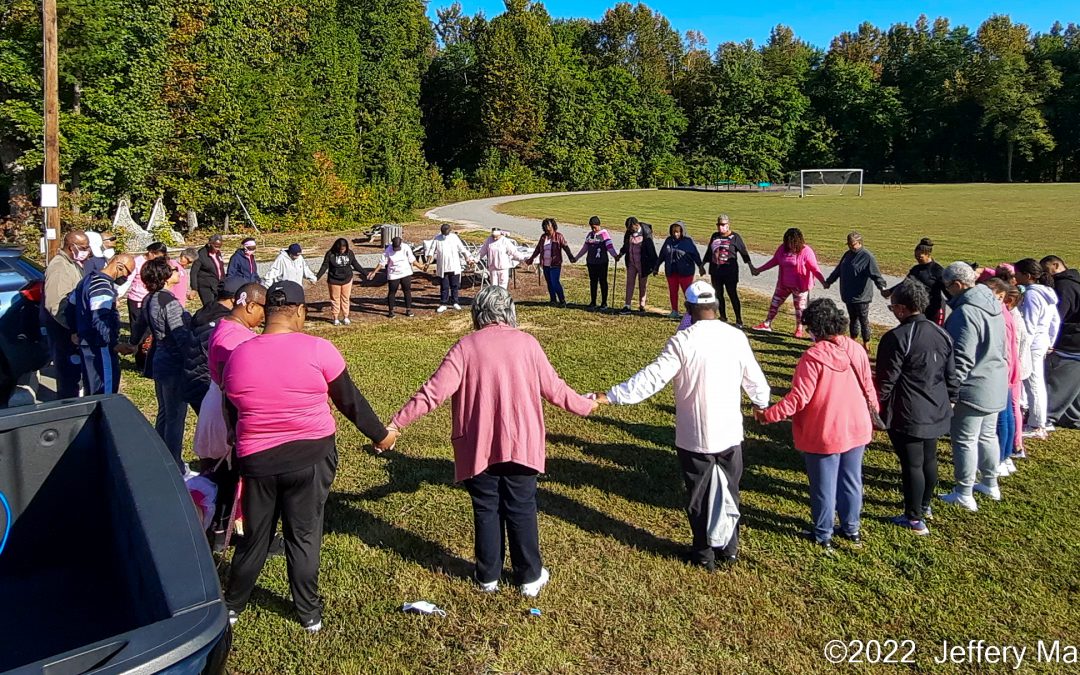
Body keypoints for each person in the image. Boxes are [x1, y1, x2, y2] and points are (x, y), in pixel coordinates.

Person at [389, 286, 597, 596]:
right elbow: (555, 389)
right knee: (521, 507)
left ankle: (487, 576)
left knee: (486, 507)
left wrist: (396, 424)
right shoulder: (527, 344)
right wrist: (586, 404)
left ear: (477, 314)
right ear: (510, 311)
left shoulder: (465, 347)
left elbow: (433, 392)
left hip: (478, 447)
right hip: (521, 444)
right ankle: (529, 577)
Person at [223, 281, 397, 632]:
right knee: (303, 534)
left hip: (257, 461)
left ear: (266, 312)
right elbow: (350, 401)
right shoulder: (319, 349)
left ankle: (232, 606)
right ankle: (308, 614)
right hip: (311, 457)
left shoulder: (238, 355)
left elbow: (232, 410)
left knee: (254, 537)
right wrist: (382, 435)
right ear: (301, 312)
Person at [599, 281, 770, 569]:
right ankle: (729, 549)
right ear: (716, 306)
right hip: (730, 433)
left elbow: (652, 378)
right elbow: (755, 378)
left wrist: (612, 395)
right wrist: (760, 403)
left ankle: (704, 554)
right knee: (730, 490)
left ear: (689, 309)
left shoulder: (682, 341)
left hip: (695, 436)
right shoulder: (735, 337)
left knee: (699, 496)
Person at [755, 300, 875, 551]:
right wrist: (874, 411)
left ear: (816, 329)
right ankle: (852, 529)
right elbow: (868, 386)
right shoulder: (856, 349)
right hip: (857, 425)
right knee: (852, 480)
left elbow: (799, 398)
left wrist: (769, 415)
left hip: (826, 431)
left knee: (823, 486)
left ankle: (823, 534)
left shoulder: (813, 357)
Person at [875, 279, 958, 535]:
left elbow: (886, 380)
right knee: (929, 459)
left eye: (892, 308)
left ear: (901, 308)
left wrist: (876, 408)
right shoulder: (941, 332)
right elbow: (951, 373)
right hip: (936, 406)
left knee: (912, 464)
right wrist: (952, 398)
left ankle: (914, 518)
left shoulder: (897, 337)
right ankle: (924, 505)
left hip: (909, 411)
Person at [938, 261, 1008, 511]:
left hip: (974, 387)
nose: (947, 292)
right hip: (995, 381)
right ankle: (990, 482)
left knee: (965, 439)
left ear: (957, 285)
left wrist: (951, 391)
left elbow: (961, 358)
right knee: (988, 435)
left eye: (948, 287)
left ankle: (964, 491)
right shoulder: (993, 304)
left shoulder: (966, 312)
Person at [141, 257, 194, 473]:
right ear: (164, 276)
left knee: (164, 411)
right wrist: (193, 357)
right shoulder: (168, 302)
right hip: (173, 363)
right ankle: (174, 463)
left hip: (159, 359)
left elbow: (139, 327)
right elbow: (180, 334)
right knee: (175, 415)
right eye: (173, 269)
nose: (177, 272)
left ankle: (159, 454)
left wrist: (133, 342)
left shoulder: (149, 298)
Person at [70, 253, 137, 395]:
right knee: (105, 392)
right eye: (127, 273)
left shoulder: (86, 280)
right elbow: (100, 319)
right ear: (119, 266)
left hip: (86, 343)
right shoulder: (102, 286)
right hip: (100, 347)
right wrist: (113, 344)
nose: (126, 278)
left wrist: (74, 330)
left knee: (91, 389)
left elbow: (71, 304)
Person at [183, 277, 248, 416]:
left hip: (191, 380)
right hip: (208, 385)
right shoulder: (224, 323)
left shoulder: (204, 312)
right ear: (234, 299)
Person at [1014, 258, 1060, 440]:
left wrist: (1021, 348)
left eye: (1017, 273)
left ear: (1027, 276)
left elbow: (1029, 325)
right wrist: (1050, 341)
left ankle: (1037, 424)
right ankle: (1036, 419)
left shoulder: (1032, 295)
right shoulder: (1047, 293)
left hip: (1031, 345)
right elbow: (1055, 321)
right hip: (1041, 342)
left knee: (1033, 383)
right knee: (1036, 382)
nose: (1015, 277)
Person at [751, 228, 826, 338]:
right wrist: (759, 270)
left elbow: (814, 268)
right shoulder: (782, 249)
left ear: (798, 241)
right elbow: (774, 261)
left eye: (792, 242)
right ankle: (767, 324)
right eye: (787, 241)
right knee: (775, 303)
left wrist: (823, 281)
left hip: (800, 287)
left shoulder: (806, 251)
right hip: (783, 284)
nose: (789, 244)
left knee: (800, 309)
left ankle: (799, 329)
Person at [42, 230, 91, 399]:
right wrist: (72, 329)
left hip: (70, 329)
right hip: (63, 331)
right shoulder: (59, 267)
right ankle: (67, 408)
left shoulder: (72, 264)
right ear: (72, 247)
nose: (87, 251)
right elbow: (55, 304)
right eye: (83, 247)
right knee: (67, 376)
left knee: (74, 375)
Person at [982, 278, 1022, 475]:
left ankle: (1000, 458)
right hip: (1007, 370)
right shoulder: (1005, 313)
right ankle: (1005, 457)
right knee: (1006, 416)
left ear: (1001, 296)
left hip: (1002, 372)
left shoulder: (1000, 316)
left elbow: (1004, 348)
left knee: (1002, 418)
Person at [823, 232, 887, 348]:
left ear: (859, 243)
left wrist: (882, 288)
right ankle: (853, 341)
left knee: (863, 320)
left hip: (861, 296)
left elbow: (876, 275)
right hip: (848, 294)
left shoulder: (867, 257)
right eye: (849, 244)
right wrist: (829, 281)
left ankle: (866, 343)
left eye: (852, 244)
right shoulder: (847, 255)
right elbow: (838, 270)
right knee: (853, 319)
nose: (850, 247)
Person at [1041, 255, 1080, 429]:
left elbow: (1058, 316)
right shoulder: (1074, 281)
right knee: (1074, 384)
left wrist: (1050, 339)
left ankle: (1047, 416)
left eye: (1046, 269)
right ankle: (1072, 417)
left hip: (1070, 341)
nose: (1044, 274)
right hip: (1075, 339)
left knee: (1059, 381)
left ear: (1056, 265)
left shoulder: (1064, 286)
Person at [884, 238, 946, 326]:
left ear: (928, 254)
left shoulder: (937, 270)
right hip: (921, 308)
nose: (917, 259)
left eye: (920, 257)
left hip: (935, 310)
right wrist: (890, 291)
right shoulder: (915, 269)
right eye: (916, 256)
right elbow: (905, 283)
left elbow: (947, 290)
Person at [706, 214, 752, 327]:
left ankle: (739, 320)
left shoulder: (735, 237)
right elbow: (709, 252)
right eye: (718, 225)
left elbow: (744, 253)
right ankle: (723, 316)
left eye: (723, 225)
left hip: (730, 272)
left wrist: (751, 267)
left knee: (732, 294)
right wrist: (702, 265)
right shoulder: (715, 236)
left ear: (728, 225)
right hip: (715, 271)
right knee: (718, 294)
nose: (720, 227)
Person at [655, 222, 705, 319]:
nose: (675, 234)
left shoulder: (688, 241)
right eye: (674, 232)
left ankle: (691, 313)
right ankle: (674, 311)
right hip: (671, 271)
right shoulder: (668, 240)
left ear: (682, 232)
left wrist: (700, 266)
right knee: (673, 292)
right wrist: (656, 267)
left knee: (688, 293)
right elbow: (662, 255)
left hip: (685, 272)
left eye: (678, 232)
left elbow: (695, 255)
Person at [126, 242, 168, 349]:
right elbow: (128, 280)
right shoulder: (137, 262)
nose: (158, 258)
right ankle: (136, 347)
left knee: (150, 327)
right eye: (156, 255)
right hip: (137, 298)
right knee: (137, 326)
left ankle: (147, 348)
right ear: (151, 252)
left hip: (151, 298)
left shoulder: (158, 263)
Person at [316, 238, 366, 326]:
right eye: (340, 249)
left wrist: (365, 273)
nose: (342, 251)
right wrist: (317, 278)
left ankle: (346, 317)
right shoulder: (330, 254)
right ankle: (335, 318)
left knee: (345, 298)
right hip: (334, 280)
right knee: (335, 299)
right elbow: (324, 266)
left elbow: (355, 264)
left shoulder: (349, 253)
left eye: (344, 249)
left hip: (347, 279)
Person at [526, 218, 574, 307]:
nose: (546, 226)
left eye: (548, 225)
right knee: (549, 282)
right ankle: (553, 300)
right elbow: (538, 249)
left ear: (553, 226)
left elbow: (565, 247)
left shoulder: (559, 236)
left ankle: (562, 300)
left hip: (555, 264)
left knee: (555, 282)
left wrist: (570, 256)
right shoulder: (543, 237)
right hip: (545, 264)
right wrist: (532, 258)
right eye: (545, 225)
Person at [574, 216, 619, 311]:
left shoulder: (604, 234)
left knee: (603, 281)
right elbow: (585, 248)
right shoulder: (590, 235)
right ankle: (593, 302)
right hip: (591, 262)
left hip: (602, 262)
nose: (593, 229)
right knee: (593, 282)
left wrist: (615, 255)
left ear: (598, 225)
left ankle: (604, 303)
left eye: (594, 227)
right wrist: (577, 257)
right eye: (592, 227)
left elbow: (609, 246)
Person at [368, 236, 420, 318]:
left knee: (407, 291)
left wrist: (420, 266)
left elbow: (412, 259)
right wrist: (374, 272)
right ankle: (391, 311)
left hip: (405, 272)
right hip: (393, 274)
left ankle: (408, 309)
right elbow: (382, 262)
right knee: (392, 292)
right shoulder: (388, 250)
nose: (396, 250)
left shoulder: (406, 247)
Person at [427, 224, 472, 313]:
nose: (445, 234)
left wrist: (467, 258)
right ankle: (443, 303)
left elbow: (462, 249)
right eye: (443, 232)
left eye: (446, 232)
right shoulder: (437, 238)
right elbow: (431, 251)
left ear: (449, 231)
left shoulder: (454, 237)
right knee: (444, 286)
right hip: (443, 267)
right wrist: (428, 262)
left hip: (454, 266)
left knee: (455, 285)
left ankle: (455, 302)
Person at [617, 217, 658, 315]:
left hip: (643, 263)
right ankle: (627, 305)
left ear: (636, 225)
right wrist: (620, 254)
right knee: (629, 283)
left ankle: (642, 305)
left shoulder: (646, 232)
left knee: (642, 285)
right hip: (631, 262)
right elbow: (626, 245)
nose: (630, 231)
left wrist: (655, 266)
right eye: (628, 229)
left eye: (631, 228)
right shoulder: (629, 232)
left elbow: (651, 250)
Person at [190, 234, 227, 307]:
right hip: (206, 286)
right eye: (216, 246)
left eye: (219, 246)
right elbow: (193, 272)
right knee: (209, 307)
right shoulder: (201, 254)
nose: (218, 249)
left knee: (219, 306)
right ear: (210, 244)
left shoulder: (218, 253)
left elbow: (220, 268)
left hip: (218, 285)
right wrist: (194, 288)